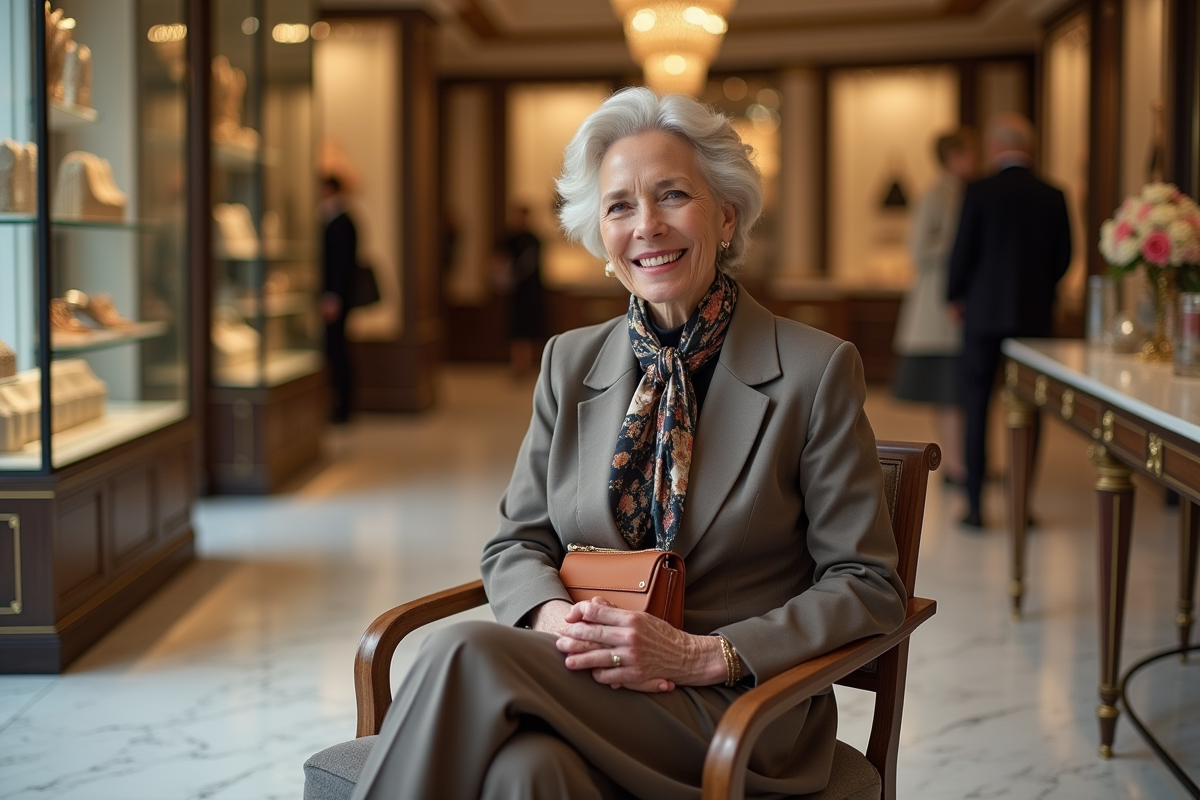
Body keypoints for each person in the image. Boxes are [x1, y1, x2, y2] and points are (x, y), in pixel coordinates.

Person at [347, 87, 907, 799]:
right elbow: (514, 544)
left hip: (734, 712)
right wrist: (555, 622)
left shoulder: (815, 370)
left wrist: (703, 654)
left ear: (726, 216)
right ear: (600, 236)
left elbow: (868, 586)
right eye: (619, 206)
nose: (647, 225)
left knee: (462, 648)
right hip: (584, 681)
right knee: (529, 774)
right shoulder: (568, 361)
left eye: (673, 195)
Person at [947, 114, 1072, 529]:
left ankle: (976, 508)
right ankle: (1022, 507)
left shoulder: (979, 191)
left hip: (981, 315)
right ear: (1029, 148)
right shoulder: (1053, 194)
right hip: (1034, 318)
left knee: (977, 407)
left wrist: (955, 295)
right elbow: (1064, 257)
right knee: (1029, 412)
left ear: (997, 148)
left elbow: (962, 249)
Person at [892, 129, 978, 487]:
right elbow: (917, 249)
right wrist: (958, 242)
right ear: (953, 156)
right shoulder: (934, 195)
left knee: (957, 390)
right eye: (968, 153)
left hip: (955, 305)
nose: (974, 161)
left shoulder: (963, 192)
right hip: (936, 307)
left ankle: (962, 462)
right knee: (947, 390)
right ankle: (957, 465)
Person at [320, 174, 357, 423]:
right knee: (336, 350)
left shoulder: (342, 222)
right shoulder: (333, 219)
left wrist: (333, 295)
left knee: (338, 350)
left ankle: (343, 407)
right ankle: (338, 404)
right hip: (335, 296)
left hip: (336, 298)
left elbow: (342, 265)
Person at [494, 205, 547, 377]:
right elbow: (497, 261)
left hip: (533, 292)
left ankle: (532, 364)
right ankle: (517, 364)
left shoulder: (534, 239)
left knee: (533, 328)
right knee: (517, 330)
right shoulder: (508, 238)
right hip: (516, 293)